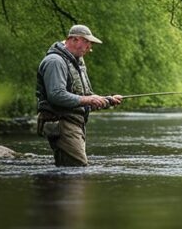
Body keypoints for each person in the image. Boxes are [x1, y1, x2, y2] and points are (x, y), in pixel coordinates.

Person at [35, 24, 123, 166]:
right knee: (77, 169)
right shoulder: (55, 61)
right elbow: (56, 95)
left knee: (70, 172)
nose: (90, 47)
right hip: (62, 123)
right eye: (87, 42)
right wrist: (89, 99)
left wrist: (107, 100)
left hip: (74, 123)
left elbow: (85, 96)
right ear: (74, 39)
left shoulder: (77, 63)